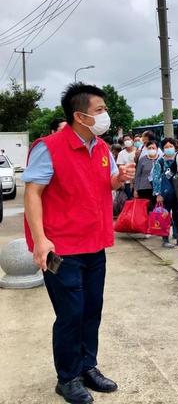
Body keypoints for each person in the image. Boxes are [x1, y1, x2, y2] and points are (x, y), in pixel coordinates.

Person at [23, 83, 135, 403]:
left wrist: (120, 178)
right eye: (99, 110)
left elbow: (107, 182)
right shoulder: (50, 147)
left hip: (94, 244)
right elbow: (33, 194)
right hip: (62, 247)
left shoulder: (100, 148)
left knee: (91, 310)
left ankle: (88, 366)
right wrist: (41, 240)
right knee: (70, 314)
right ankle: (68, 377)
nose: (105, 116)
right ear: (80, 115)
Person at [152, 138, 178, 248]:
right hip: (165, 194)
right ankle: (165, 239)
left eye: (171, 146)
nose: (169, 149)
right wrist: (158, 194)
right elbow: (156, 178)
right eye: (166, 147)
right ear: (163, 149)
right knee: (164, 216)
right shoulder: (159, 162)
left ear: (175, 147)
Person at [133, 140, 160, 210]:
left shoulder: (160, 159)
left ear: (157, 149)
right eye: (149, 148)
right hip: (143, 188)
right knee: (144, 209)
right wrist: (135, 190)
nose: (151, 149)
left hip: (157, 189)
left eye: (153, 148)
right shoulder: (142, 160)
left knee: (155, 209)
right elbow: (137, 175)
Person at [116, 134, 137, 199]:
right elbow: (120, 168)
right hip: (127, 182)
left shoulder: (138, 151)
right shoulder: (121, 153)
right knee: (129, 201)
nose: (127, 141)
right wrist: (122, 182)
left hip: (137, 181)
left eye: (128, 139)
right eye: (125, 140)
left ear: (132, 140)